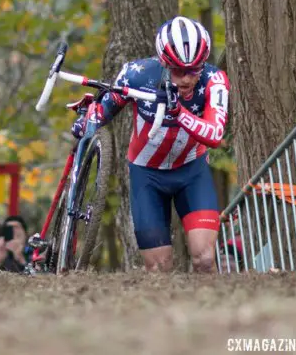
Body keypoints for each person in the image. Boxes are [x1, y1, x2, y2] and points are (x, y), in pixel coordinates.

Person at [71, 16, 230, 273]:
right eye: (179, 71)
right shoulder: (137, 74)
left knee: (205, 259)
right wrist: (87, 121)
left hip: (192, 172)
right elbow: (105, 109)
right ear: (164, 63)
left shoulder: (215, 80)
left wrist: (179, 113)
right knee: (159, 268)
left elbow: (214, 134)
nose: (187, 79)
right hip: (147, 175)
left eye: (194, 70)